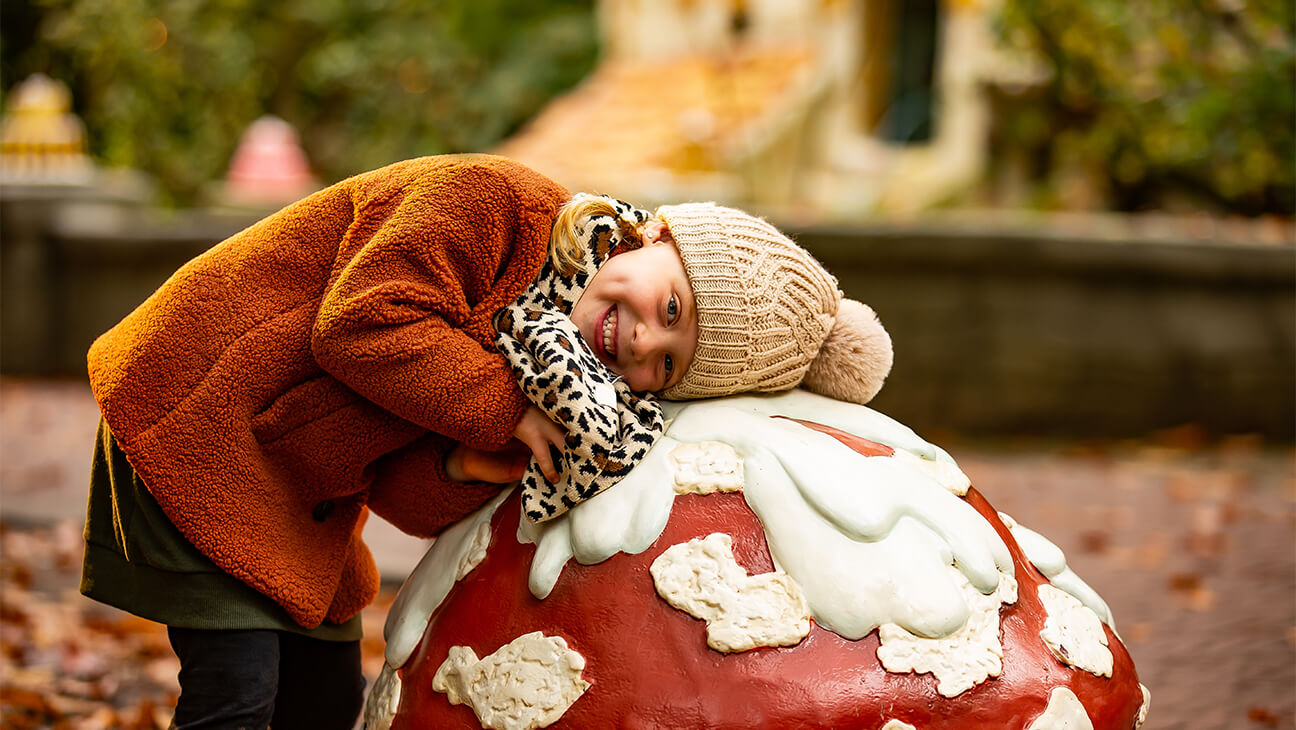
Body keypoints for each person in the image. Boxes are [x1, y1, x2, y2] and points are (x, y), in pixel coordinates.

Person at [80, 154, 892, 729]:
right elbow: (359, 324)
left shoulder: (560, 373)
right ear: (654, 237)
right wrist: (502, 410)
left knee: (325, 699)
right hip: (200, 415)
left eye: (667, 365)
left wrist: (468, 464)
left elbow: (399, 490)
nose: (643, 341)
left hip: (300, 484)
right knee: (238, 691)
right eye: (670, 306)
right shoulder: (491, 206)